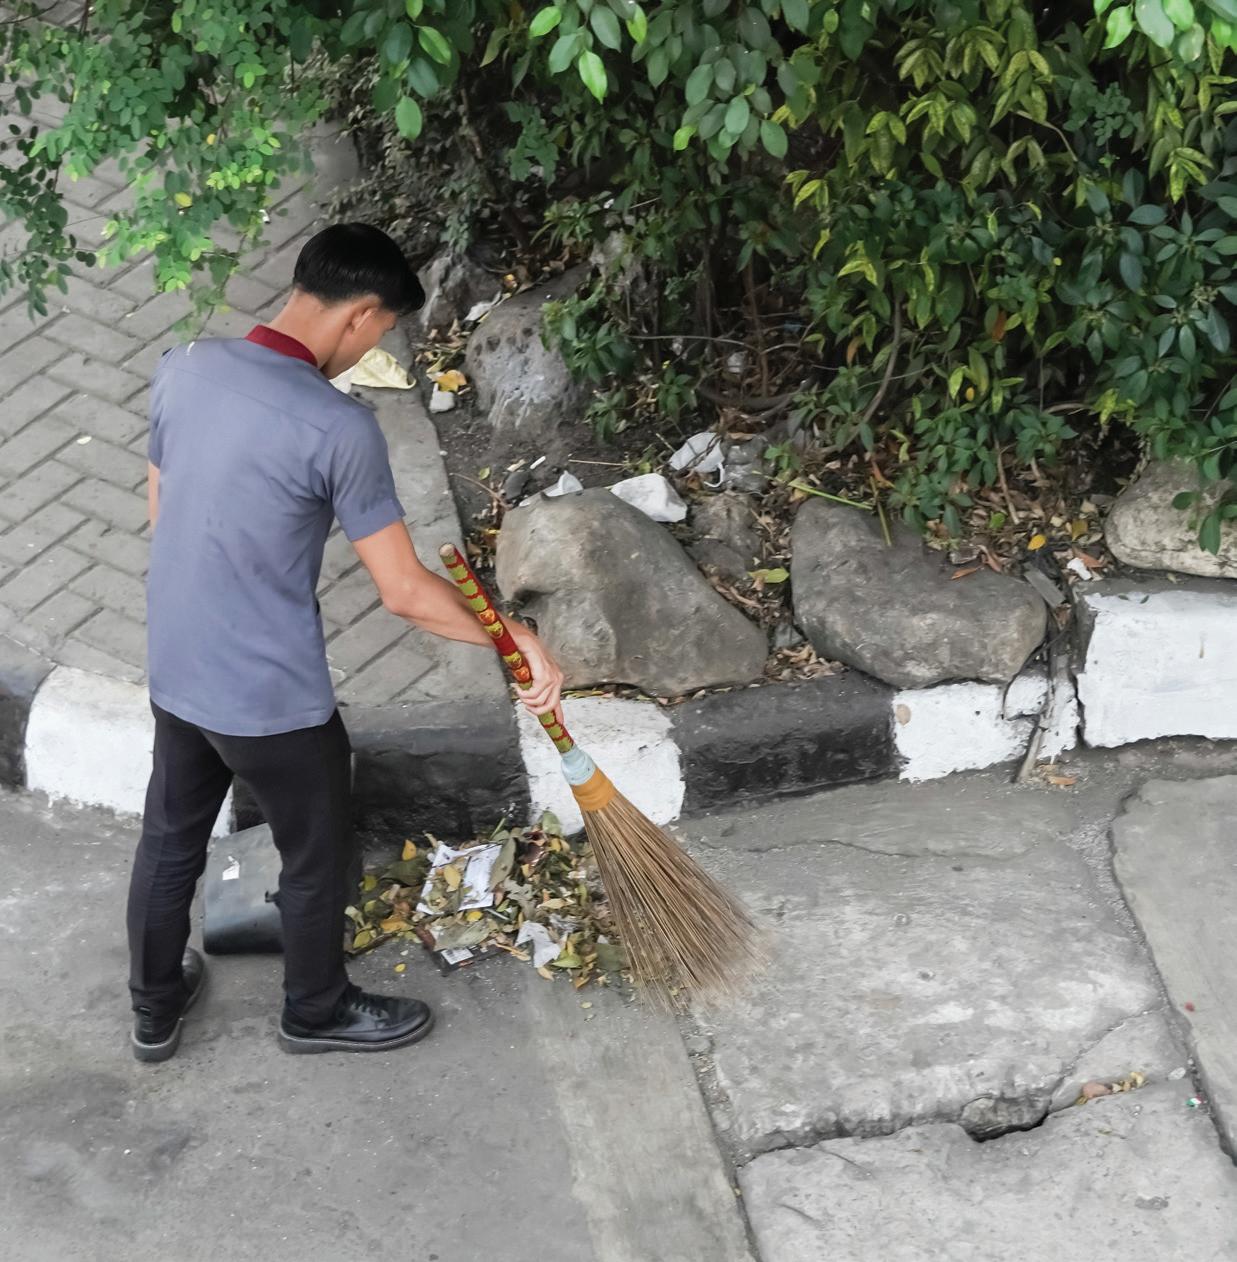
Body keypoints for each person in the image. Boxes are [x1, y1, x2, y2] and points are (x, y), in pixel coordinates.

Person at [128, 223, 564, 1062]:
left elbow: (161, 506)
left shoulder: (184, 365)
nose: (371, 351)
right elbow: (404, 593)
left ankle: (153, 1010)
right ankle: (316, 1009)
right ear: (361, 315)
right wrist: (514, 638)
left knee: (171, 837)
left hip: (178, 663)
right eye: (381, 332)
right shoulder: (338, 428)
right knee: (315, 854)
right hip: (272, 699)